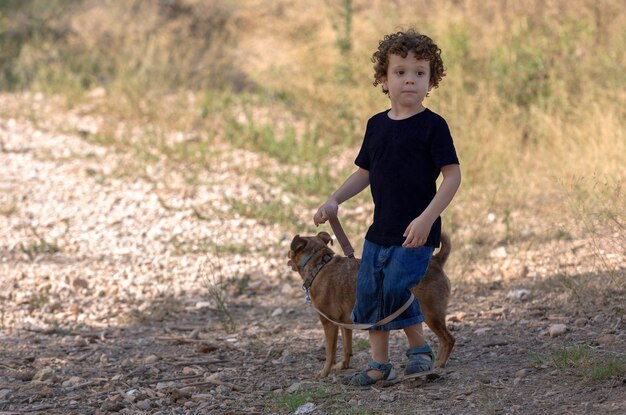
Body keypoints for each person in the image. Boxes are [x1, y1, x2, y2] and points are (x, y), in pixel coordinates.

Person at [313, 29, 461, 386]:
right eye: (400, 72)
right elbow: (364, 173)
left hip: (416, 233)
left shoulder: (433, 126)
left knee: (395, 288)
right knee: (369, 292)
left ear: (431, 80)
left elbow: (453, 177)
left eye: (419, 73)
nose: (410, 79)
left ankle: (419, 348)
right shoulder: (376, 126)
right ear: (384, 78)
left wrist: (427, 219)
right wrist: (334, 199)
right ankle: (379, 363)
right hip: (380, 232)